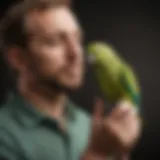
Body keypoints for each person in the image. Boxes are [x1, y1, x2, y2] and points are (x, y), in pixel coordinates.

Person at [0, 0, 141, 159]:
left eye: (77, 39)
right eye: (54, 42)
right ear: (18, 59)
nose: (76, 54)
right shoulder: (3, 134)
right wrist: (97, 154)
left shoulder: (93, 127)